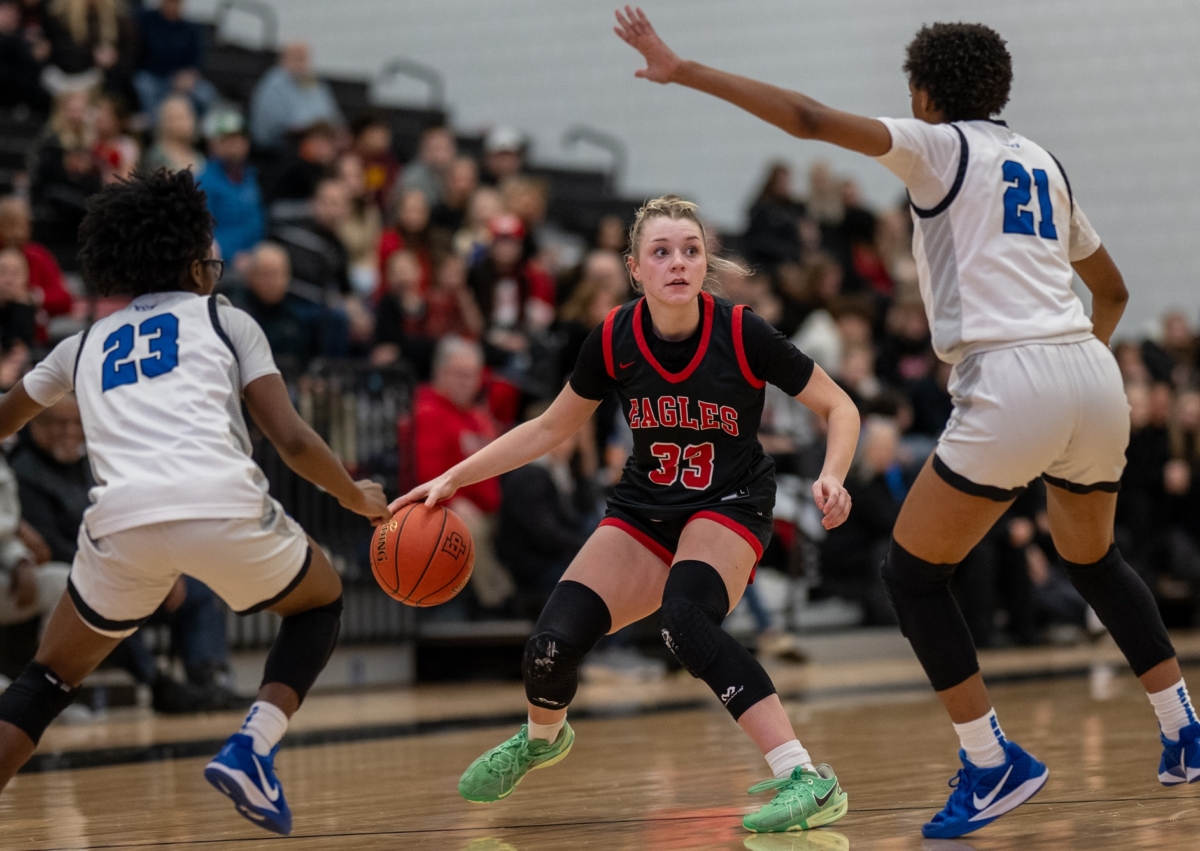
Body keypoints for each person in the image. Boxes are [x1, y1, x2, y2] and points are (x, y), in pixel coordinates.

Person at [613, 7, 1197, 838]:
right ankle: (1184, 727)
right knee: (1093, 557)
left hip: (1013, 374)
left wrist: (686, 70)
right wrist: (1073, 381)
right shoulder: (1043, 161)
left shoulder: (939, 146)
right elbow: (1115, 291)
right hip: (1093, 370)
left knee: (914, 574)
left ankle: (991, 762)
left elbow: (809, 119)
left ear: (923, 96)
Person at [391, 195, 859, 833]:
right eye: (661, 252)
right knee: (549, 650)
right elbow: (550, 428)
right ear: (635, 269)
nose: (678, 263)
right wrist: (450, 477)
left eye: (690, 251)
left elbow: (840, 407)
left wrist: (832, 475)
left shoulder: (742, 331)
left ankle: (804, 775)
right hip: (644, 509)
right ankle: (540, 739)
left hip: (729, 503)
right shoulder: (613, 336)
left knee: (684, 622)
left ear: (705, 262)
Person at [0, 170, 389, 835]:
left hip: (120, 524)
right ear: (192, 265)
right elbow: (291, 439)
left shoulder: (81, 342)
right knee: (319, 601)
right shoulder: (226, 319)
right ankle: (253, 746)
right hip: (220, 501)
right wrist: (354, 495)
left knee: (49, 679)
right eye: (210, 255)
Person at [196, 108, 264, 265]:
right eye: (228, 139)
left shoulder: (251, 176)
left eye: (240, 138)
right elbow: (203, 233)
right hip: (224, 261)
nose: (235, 145)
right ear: (214, 144)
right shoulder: (203, 182)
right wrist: (231, 255)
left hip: (256, 253)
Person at [249, 42, 343, 152]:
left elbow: (332, 116)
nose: (301, 62)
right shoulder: (273, 83)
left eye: (304, 58)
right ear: (283, 58)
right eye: (297, 57)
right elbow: (271, 124)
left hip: (319, 140)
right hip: (282, 147)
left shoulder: (316, 84)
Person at [132, 0, 215, 118]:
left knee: (206, 93)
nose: (172, 5)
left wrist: (189, 75)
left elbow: (196, 61)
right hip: (152, 75)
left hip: (178, 78)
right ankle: (155, 124)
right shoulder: (145, 20)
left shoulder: (191, 28)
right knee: (144, 85)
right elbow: (137, 54)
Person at [140, 93, 204, 173]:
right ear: (165, 123)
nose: (184, 123)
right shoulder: (157, 156)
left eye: (187, 117)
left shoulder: (199, 156)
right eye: (178, 118)